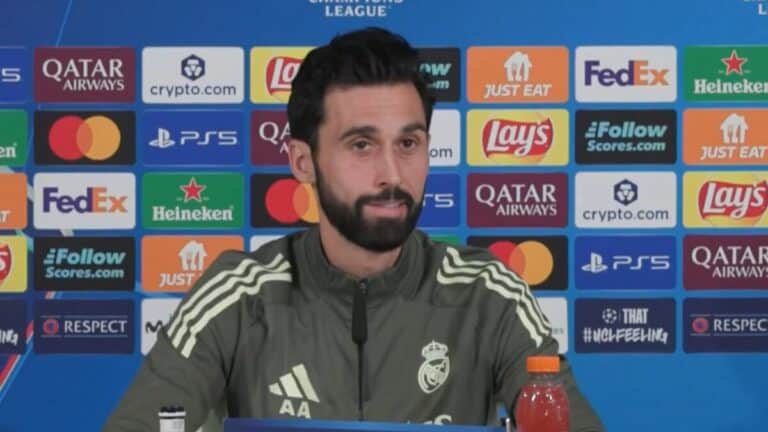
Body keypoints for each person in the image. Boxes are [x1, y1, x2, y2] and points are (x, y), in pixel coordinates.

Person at [104, 27, 604, 432]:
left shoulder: (488, 294)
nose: (391, 172)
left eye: (408, 144)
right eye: (361, 145)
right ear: (303, 160)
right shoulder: (237, 295)